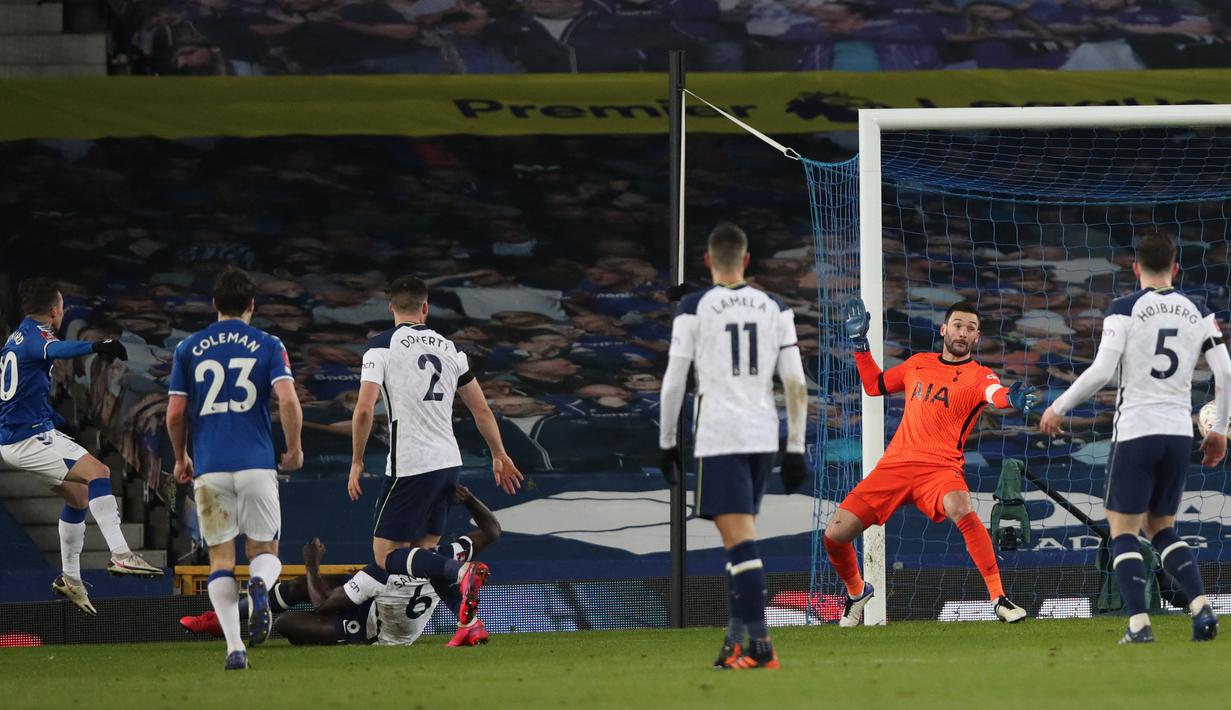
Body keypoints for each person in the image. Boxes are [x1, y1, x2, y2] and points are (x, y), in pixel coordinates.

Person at [1039, 232, 1226, 643]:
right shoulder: (1199, 311)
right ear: (1176, 268)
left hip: (1138, 431)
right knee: (1162, 528)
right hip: (1178, 433)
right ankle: (1200, 607)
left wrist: (1058, 408)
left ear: (1135, 267)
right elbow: (1225, 372)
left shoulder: (1124, 308)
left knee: (1123, 531)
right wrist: (1220, 431)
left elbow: (1103, 372)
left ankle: (1139, 625)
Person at [826, 298, 1037, 626]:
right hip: (895, 466)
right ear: (943, 329)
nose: (963, 332)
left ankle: (999, 598)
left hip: (940, 469)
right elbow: (874, 385)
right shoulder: (917, 364)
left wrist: (1011, 397)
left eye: (971, 328)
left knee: (961, 505)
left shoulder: (978, 376)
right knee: (834, 534)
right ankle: (857, 591)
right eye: (958, 325)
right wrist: (860, 345)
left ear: (977, 338)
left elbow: (995, 393)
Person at [658, 223, 809, 670]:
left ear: (707, 260)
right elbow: (796, 383)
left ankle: (760, 646)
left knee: (740, 542)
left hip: (720, 435)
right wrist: (796, 447)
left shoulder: (693, 306)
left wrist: (667, 442)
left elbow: (673, 382)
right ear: (746, 261)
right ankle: (733, 644)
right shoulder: (775, 306)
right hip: (763, 434)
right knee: (735, 540)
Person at [347, 275, 522, 632]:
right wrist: (499, 453)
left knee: (385, 556)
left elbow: (364, 409)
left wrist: (357, 460)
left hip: (410, 463)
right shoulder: (451, 349)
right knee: (424, 555)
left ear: (391, 307)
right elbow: (482, 410)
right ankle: (470, 624)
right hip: (448, 461)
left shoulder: (380, 346)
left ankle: (461, 571)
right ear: (426, 308)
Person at [166, 267, 304, 670]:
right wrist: (293, 450)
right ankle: (260, 582)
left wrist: (181, 457)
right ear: (252, 306)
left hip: (210, 469)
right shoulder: (268, 343)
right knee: (265, 550)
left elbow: (175, 412)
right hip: (257, 465)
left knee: (220, 561)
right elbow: (289, 401)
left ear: (214, 305)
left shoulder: (188, 348)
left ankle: (234, 649)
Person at [0, 277, 162, 617]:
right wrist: (97, 346)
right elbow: (55, 349)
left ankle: (70, 578)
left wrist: (58, 421)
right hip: (28, 439)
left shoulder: (14, 340)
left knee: (78, 498)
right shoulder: (38, 336)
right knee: (99, 472)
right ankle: (120, 553)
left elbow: (21, 394)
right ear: (56, 311)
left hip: (21, 436)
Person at [181, 484, 500, 647]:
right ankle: (222, 619)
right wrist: (469, 500)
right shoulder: (448, 554)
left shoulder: (385, 567)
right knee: (300, 587)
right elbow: (492, 531)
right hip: (378, 605)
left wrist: (310, 563)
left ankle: (235, 624)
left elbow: (321, 604)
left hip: (371, 633)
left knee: (288, 622)